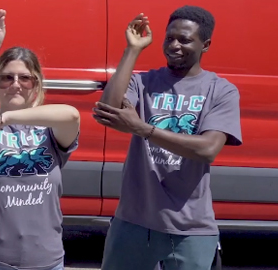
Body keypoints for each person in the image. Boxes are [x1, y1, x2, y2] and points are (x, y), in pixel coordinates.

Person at [93, 5, 241, 270]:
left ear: (205, 45)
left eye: (184, 40)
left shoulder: (221, 91)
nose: (174, 45)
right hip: (133, 222)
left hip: (190, 227)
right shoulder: (145, 82)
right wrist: (133, 50)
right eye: (169, 38)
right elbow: (107, 111)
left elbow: (207, 149)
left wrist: (143, 129)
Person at [0, 9, 81, 270]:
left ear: (37, 84)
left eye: (25, 78)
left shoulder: (50, 131)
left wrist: (6, 119)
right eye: (6, 78)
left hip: (44, 262)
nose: (16, 84)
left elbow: (72, 115)